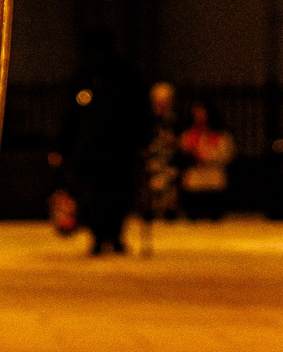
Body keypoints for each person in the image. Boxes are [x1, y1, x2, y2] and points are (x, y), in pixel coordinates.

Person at [52, 43, 148, 254]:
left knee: (110, 196)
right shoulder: (103, 77)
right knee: (101, 197)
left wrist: (62, 146)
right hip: (104, 152)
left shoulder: (110, 77)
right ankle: (103, 235)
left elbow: (70, 118)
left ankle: (109, 235)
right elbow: (71, 117)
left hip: (109, 150)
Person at [178, 101, 234, 221]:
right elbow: (183, 152)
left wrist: (209, 157)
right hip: (194, 181)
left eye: (202, 114)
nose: (199, 118)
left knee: (215, 217)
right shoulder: (188, 135)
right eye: (196, 115)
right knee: (193, 217)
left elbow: (227, 155)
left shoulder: (221, 135)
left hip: (214, 180)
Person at [140, 81, 180, 247]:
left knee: (169, 192)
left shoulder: (175, 119)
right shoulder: (148, 119)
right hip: (152, 162)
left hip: (169, 162)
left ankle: (170, 214)